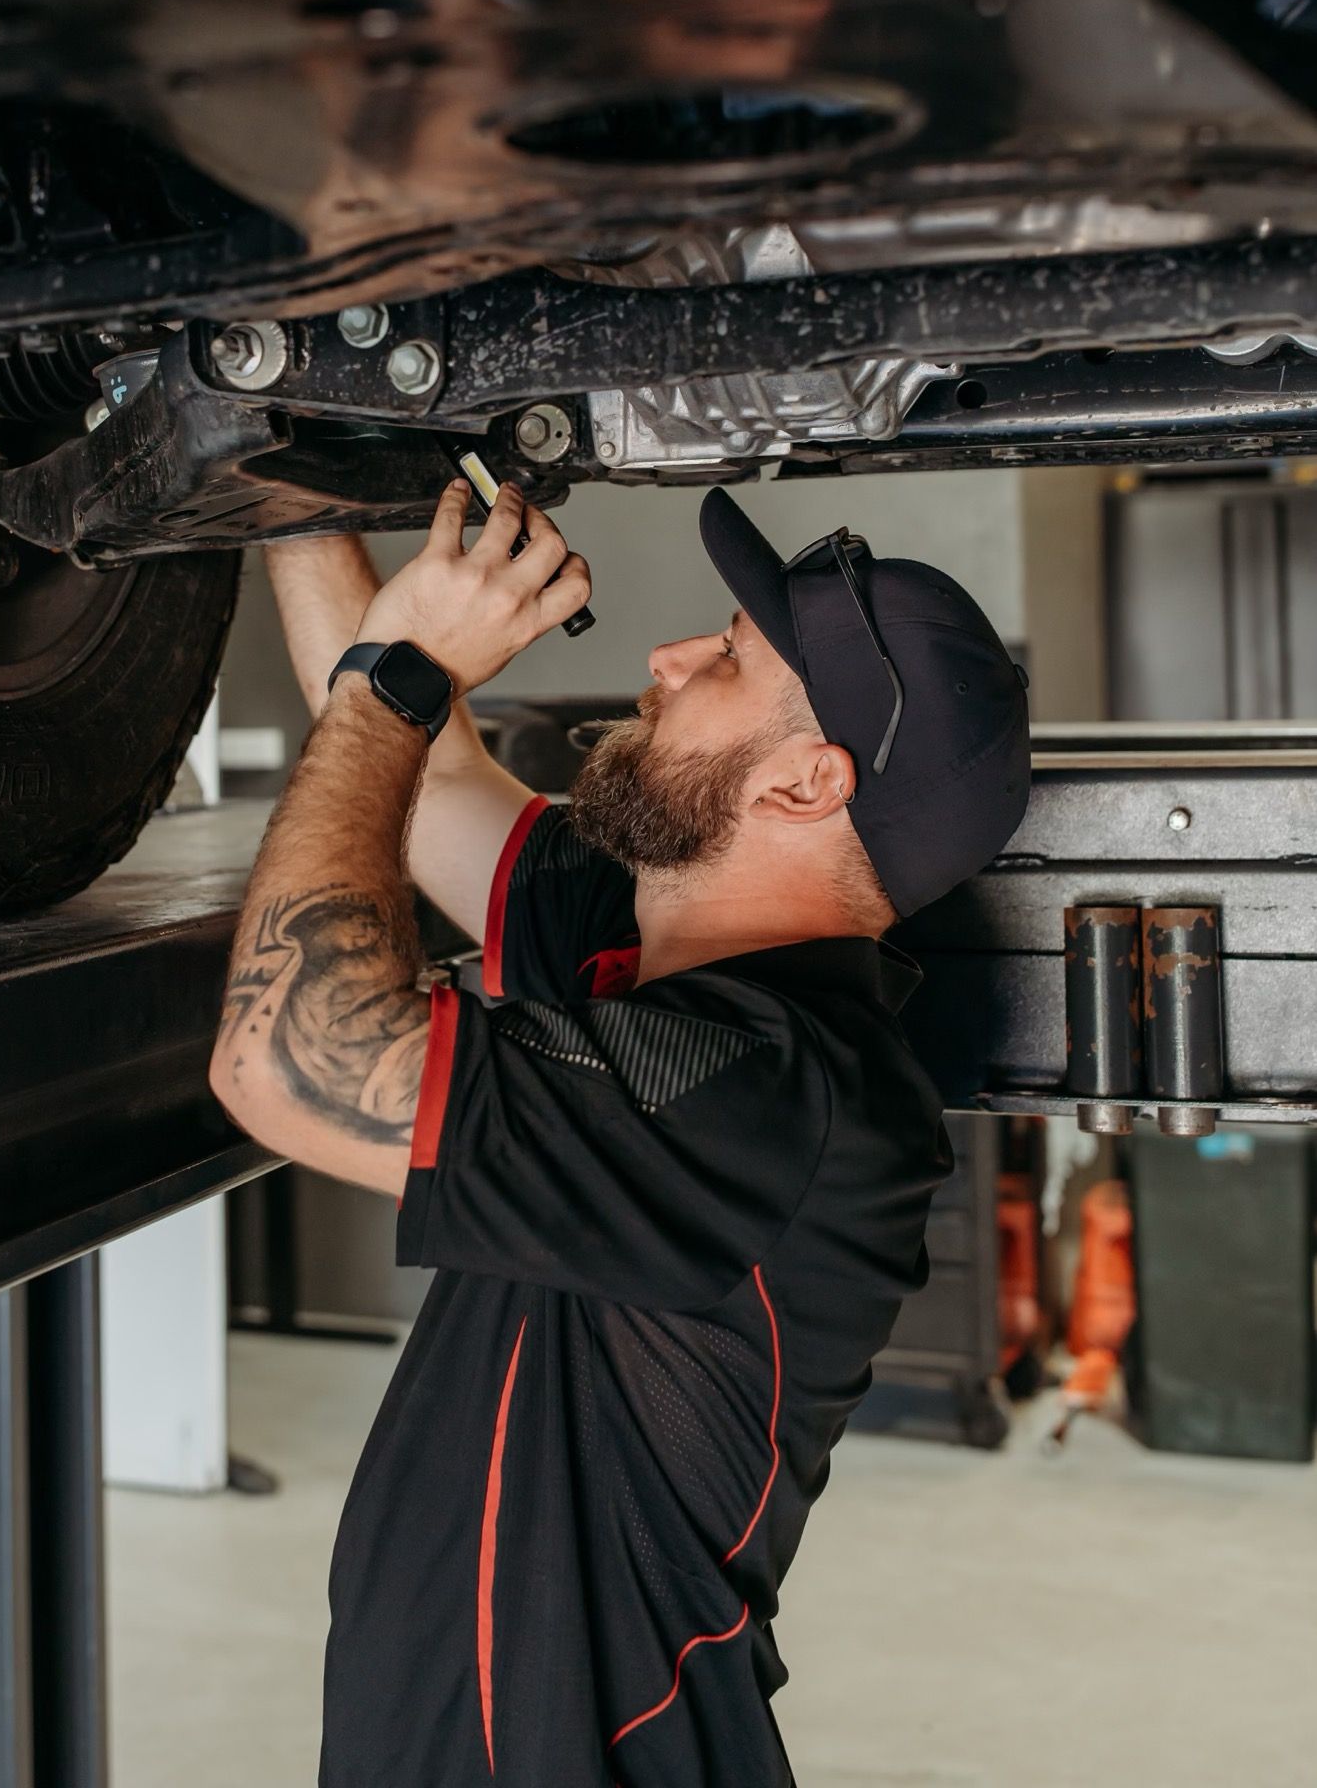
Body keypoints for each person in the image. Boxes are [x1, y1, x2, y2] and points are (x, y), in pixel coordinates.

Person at [210, 476, 1031, 1788]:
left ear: (806, 781)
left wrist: (401, 678)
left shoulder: (769, 1094)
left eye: (728, 658)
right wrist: (288, 490)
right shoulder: (643, 949)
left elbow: (293, 1061)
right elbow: (422, 780)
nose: (667, 657)